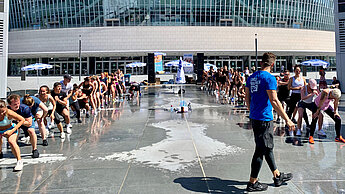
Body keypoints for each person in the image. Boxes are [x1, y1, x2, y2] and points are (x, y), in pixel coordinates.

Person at [245, 52, 294, 192]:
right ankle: (252, 182)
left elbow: (247, 97)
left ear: (261, 62)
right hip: (265, 119)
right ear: (272, 64)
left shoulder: (251, 77)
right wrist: (287, 119)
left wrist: (252, 110)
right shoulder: (270, 78)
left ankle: (277, 175)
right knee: (260, 150)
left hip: (255, 117)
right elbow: (274, 101)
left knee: (267, 147)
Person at [0, 100, 25, 171]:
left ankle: (19, 161)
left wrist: (12, 131)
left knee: (12, 142)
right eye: (0, 112)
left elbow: (22, 120)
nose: (2, 114)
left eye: (3, 112)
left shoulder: (9, 113)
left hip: (10, 129)